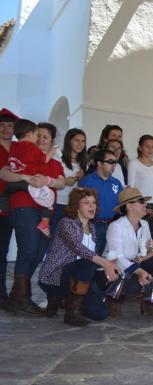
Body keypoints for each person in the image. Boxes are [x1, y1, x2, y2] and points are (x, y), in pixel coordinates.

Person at [3, 123, 64, 315]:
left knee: (37, 254)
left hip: (45, 213)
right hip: (25, 206)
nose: (41, 140)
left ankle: (17, 296)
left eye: (46, 137)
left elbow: (62, 182)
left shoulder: (53, 163)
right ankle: (21, 299)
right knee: (28, 250)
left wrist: (49, 181)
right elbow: (4, 172)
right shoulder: (21, 153)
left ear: (52, 141)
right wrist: (25, 177)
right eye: (39, 136)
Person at [37, 188, 120, 326]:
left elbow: (91, 255)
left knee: (100, 314)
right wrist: (105, 263)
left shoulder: (92, 227)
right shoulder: (66, 223)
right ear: (76, 205)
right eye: (86, 202)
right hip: (55, 276)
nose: (91, 206)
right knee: (86, 264)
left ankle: (65, 300)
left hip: (78, 277)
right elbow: (80, 250)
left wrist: (107, 264)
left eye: (93, 202)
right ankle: (72, 313)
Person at [105, 187, 153, 317]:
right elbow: (118, 259)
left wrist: (149, 250)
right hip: (118, 269)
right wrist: (140, 271)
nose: (146, 204)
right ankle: (114, 299)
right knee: (123, 268)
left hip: (135, 264)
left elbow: (147, 251)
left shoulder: (144, 224)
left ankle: (150, 299)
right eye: (141, 201)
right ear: (129, 206)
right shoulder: (116, 226)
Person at [1, 119, 58, 237]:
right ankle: (44, 223)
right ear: (28, 134)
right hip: (29, 182)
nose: (38, 139)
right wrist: (52, 151)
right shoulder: (32, 148)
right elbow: (45, 159)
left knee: (4, 194)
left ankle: (2, 207)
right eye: (37, 135)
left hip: (13, 183)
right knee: (49, 199)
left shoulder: (14, 146)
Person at [78, 150, 123, 254]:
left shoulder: (116, 183)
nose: (113, 165)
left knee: (104, 259)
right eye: (110, 162)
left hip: (111, 225)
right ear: (99, 163)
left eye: (115, 162)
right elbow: (79, 206)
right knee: (89, 258)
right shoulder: (87, 181)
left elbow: (121, 205)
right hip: (92, 225)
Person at [51, 128, 87, 238]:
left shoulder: (83, 163)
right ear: (69, 141)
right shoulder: (58, 157)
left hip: (73, 207)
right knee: (54, 240)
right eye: (76, 140)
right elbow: (51, 179)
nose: (80, 144)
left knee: (69, 243)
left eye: (83, 141)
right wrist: (68, 181)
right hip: (58, 204)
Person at [127, 135, 153, 235]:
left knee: (149, 237)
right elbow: (131, 188)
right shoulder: (133, 163)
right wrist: (142, 207)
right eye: (147, 146)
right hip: (140, 205)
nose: (150, 149)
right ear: (140, 147)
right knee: (137, 235)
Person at [0, 108, 17, 308]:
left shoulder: (18, 148)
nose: (5, 129)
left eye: (9, 126)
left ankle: (6, 294)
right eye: (2, 125)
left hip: (15, 203)